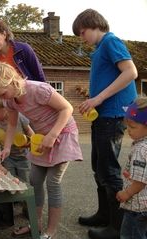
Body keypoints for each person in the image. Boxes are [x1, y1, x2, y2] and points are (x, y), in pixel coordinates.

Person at [0, 62, 83, 239]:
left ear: (13, 81)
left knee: (53, 183)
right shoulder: (9, 99)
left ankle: (51, 230)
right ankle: (35, 224)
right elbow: (12, 124)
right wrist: (7, 147)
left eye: (3, 92)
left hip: (62, 134)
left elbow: (67, 108)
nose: (2, 97)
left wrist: (53, 135)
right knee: (35, 179)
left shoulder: (38, 90)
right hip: (42, 138)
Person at [73, 9, 138, 239]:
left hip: (112, 115)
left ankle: (118, 227)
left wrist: (98, 98)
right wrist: (94, 98)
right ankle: (105, 214)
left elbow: (131, 72)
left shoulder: (111, 41)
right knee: (98, 167)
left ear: (93, 25)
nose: (83, 39)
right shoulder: (100, 48)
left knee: (109, 170)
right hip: (101, 115)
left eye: (82, 33)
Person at [0, 17, 46, 93]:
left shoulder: (23, 50)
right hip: (7, 102)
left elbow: (40, 77)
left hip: (30, 97)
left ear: (4, 34)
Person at [116, 98, 147, 239]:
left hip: (137, 207)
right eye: (127, 126)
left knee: (130, 235)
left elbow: (140, 181)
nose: (128, 130)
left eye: (133, 127)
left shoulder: (140, 150)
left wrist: (126, 193)